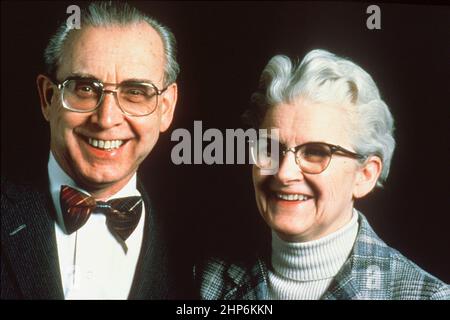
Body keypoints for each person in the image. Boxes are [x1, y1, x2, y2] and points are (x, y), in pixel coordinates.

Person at [198, 49, 450, 300]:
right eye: (271, 149)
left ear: (365, 175)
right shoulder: (206, 278)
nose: (284, 173)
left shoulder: (428, 296)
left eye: (316, 152)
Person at [1, 2, 186, 299]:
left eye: (136, 92)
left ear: (166, 108)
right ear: (48, 98)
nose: (106, 119)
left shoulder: (199, 249)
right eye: (85, 88)